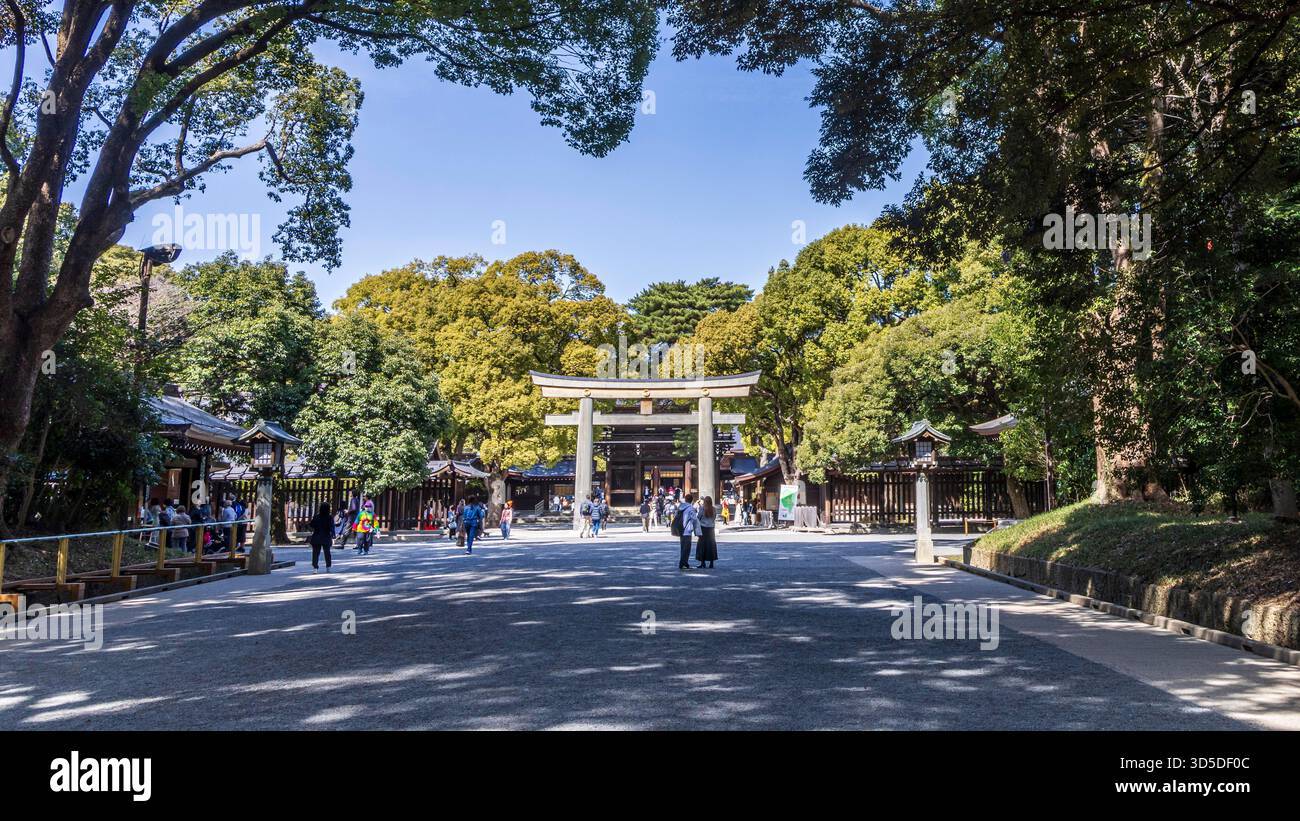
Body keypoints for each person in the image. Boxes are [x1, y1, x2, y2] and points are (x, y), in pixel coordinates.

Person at [673, 493, 701, 570]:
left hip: (681, 529)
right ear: (692, 500)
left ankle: (684, 562)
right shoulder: (690, 508)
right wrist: (697, 531)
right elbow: (694, 520)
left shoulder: (680, 507)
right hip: (687, 530)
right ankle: (683, 563)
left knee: (683, 547)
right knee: (687, 548)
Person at [308, 502, 334, 572]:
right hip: (326, 536)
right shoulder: (329, 517)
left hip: (316, 536)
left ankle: (315, 568)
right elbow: (332, 527)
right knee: (327, 552)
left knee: (315, 553)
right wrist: (333, 535)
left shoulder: (316, 517)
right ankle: (328, 567)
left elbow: (311, 525)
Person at [696, 496, 718, 569]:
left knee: (702, 545)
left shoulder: (702, 508)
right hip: (711, 528)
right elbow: (714, 517)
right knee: (711, 545)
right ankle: (711, 563)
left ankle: (702, 563)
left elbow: (698, 517)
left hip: (703, 528)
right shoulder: (714, 509)